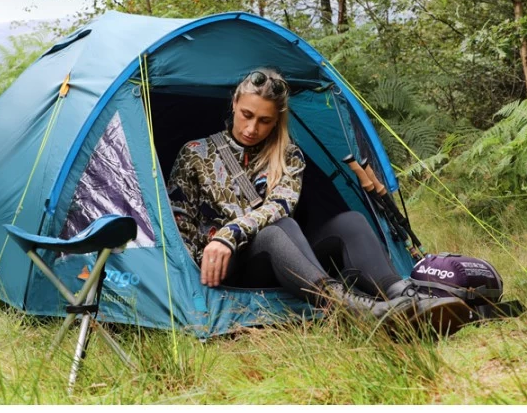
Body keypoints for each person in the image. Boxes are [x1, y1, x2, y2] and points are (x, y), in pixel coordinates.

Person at [166, 67, 473, 334]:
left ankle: (406, 297)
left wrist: (230, 233)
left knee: (351, 222)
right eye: (247, 115)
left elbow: (280, 205)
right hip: (225, 266)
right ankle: (353, 309)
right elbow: (178, 223)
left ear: (276, 121)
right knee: (278, 229)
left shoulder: (289, 155)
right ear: (234, 103)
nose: (251, 128)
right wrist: (206, 257)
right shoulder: (195, 154)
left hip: (286, 257)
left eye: (264, 121)